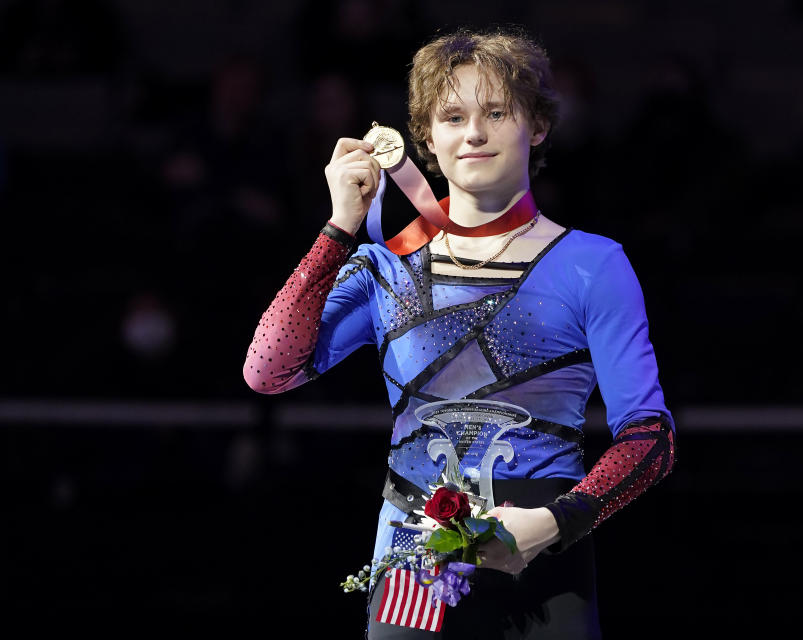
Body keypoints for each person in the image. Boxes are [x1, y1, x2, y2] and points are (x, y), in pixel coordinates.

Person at [243, 28, 676, 639]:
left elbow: (650, 439)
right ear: (426, 139)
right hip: (412, 563)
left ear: (538, 125)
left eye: (496, 113)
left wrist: (554, 522)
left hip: (545, 557)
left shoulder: (594, 264)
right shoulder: (384, 267)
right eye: (453, 116)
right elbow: (267, 370)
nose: (473, 133)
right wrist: (339, 229)